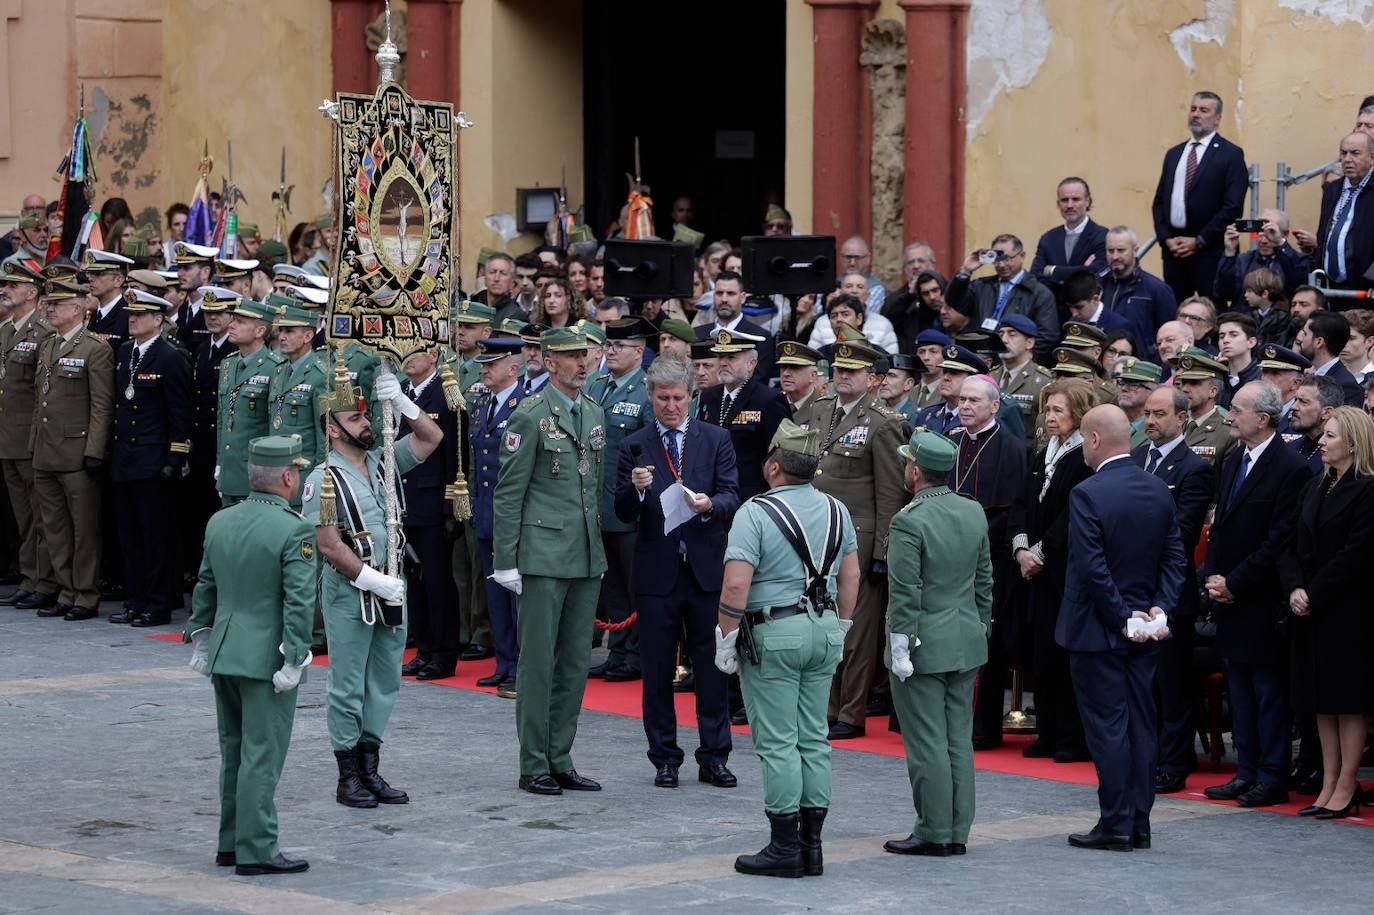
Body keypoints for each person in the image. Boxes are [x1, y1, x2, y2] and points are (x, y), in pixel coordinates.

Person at [715, 420, 858, 878]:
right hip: (824, 626)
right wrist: (842, 626)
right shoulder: (838, 508)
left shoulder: (755, 511)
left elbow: (737, 583)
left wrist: (726, 636)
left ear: (774, 466)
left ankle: (783, 847)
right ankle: (811, 847)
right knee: (813, 738)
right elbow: (850, 577)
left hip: (773, 631)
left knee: (778, 742)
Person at [305, 367, 443, 808]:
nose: (365, 423)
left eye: (366, 415)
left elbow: (430, 439)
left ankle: (370, 768)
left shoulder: (384, 458)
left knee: (384, 681)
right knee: (348, 684)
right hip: (353, 590)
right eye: (354, 418)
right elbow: (327, 543)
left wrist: (405, 405)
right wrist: (369, 578)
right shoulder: (322, 477)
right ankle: (347, 774)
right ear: (331, 428)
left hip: (392, 587)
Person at [183, 435, 316, 876]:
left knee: (234, 750)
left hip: (224, 650)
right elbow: (298, 603)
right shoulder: (294, 528)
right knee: (262, 754)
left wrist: (200, 637)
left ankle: (230, 842)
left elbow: (205, 586)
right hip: (266, 658)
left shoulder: (220, 520)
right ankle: (256, 848)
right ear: (286, 476)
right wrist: (295, 656)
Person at [1058, 404, 1185, 851]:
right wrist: (1159, 611)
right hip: (1148, 631)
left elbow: (1093, 569)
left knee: (1109, 729)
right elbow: (1174, 557)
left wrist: (1121, 618)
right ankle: (1138, 824)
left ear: (1093, 440)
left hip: (1100, 632)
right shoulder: (1157, 488)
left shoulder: (1087, 492)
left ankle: (1115, 823)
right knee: (1141, 726)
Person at [492, 326, 607, 796]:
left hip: (584, 552)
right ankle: (533, 762)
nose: (582, 362)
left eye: (585, 354)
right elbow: (509, 493)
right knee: (538, 662)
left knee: (575, 662)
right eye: (571, 356)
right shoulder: (531, 415)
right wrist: (506, 560)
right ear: (548, 361)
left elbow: (591, 488)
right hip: (541, 555)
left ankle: (561, 756)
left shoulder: (593, 412)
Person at [615, 356, 739, 788]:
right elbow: (621, 510)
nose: (671, 406)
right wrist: (635, 488)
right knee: (656, 671)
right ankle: (665, 757)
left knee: (711, 669)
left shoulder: (715, 438)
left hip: (704, 570)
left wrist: (709, 506)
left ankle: (714, 756)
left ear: (691, 397)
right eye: (663, 398)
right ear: (651, 397)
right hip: (655, 574)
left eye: (678, 398)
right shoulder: (635, 443)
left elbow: (732, 496)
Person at [1201, 381, 1314, 808]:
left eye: (1238, 410)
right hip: (1229, 595)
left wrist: (1235, 582)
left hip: (1261, 599)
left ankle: (1271, 774)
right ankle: (1245, 770)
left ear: (1263, 419)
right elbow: (1222, 526)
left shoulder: (1290, 468)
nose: (1229, 416)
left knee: (1268, 693)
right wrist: (1213, 576)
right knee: (1240, 689)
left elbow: (1278, 540)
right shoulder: (1234, 459)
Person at [792, 343, 911, 740]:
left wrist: (883, 551)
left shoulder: (883, 421)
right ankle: (825, 706)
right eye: (840, 368)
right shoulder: (820, 409)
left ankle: (850, 712)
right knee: (821, 621)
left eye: (853, 371)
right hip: (818, 531)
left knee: (856, 630)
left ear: (874, 379)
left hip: (858, 539)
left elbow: (891, 493)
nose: (843, 375)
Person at [883, 429, 991, 857]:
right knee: (956, 740)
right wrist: (981, 624)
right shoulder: (972, 510)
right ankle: (956, 829)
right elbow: (984, 579)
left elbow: (905, 592)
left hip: (923, 643)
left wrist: (900, 645)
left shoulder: (909, 519)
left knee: (927, 741)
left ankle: (933, 829)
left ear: (915, 470)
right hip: (964, 638)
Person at [1279, 406, 1374, 819]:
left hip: (1347, 608)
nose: (1321, 442)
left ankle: (1347, 782)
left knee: (1346, 700)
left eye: (1331, 436)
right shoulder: (1316, 485)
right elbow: (1289, 543)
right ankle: (1329, 779)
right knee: (1320, 698)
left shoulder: (1368, 489)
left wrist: (1312, 592)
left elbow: (1358, 553)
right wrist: (1295, 587)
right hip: (1311, 607)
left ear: (1352, 443)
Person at [1007, 378, 1096, 762]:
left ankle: (1070, 738)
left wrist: (1040, 553)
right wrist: (1021, 548)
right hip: (1034, 569)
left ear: (1077, 413)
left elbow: (1071, 514)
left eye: (1058, 409)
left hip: (1060, 569)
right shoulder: (1042, 450)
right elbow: (1022, 502)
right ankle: (1046, 730)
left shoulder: (1084, 457)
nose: (1050, 415)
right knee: (1041, 654)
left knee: (1063, 656)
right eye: (1048, 409)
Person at [1132, 387, 1215, 794]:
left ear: (1182, 418)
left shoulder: (1192, 469)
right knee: (1139, 682)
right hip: (1132, 590)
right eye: (1147, 413)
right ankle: (1143, 755)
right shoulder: (1135, 459)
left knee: (1171, 682)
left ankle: (1173, 761)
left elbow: (1180, 536)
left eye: (1159, 414)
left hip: (1167, 593)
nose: (1149, 421)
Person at [948, 375, 1027, 749]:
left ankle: (981, 730)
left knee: (984, 645)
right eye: (962, 400)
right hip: (947, 559)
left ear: (994, 407)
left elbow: (1010, 511)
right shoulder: (950, 442)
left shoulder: (1012, 448)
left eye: (974, 401)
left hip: (990, 561)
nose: (965, 406)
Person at [30, 280, 114, 621]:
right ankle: (65, 590)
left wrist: (95, 450)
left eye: (57, 305)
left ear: (77, 310)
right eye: (49, 304)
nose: (50, 309)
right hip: (45, 450)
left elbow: (102, 405)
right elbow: (41, 398)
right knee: (54, 528)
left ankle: (85, 594)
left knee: (84, 530)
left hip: (77, 452)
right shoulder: (49, 344)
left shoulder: (94, 348)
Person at [107, 289, 192, 627]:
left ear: (158, 319)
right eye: (131, 315)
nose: (133, 320)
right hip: (126, 457)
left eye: (140, 315)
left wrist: (176, 457)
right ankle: (135, 599)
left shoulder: (169, 356)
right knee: (129, 536)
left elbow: (180, 411)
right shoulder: (127, 352)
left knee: (154, 536)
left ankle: (157, 604)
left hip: (154, 459)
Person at [586, 317, 655, 681]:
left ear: (639, 353)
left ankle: (636, 652)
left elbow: (650, 452)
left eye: (620, 347)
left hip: (629, 505)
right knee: (611, 583)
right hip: (599, 504)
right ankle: (617, 650)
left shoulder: (645, 392)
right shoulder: (596, 386)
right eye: (609, 346)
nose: (611, 351)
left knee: (634, 581)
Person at [468, 336, 527, 697]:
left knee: (517, 595)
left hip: (513, 515)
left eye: (492, 365)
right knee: (495, 592)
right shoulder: (482, 404)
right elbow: (478, 463)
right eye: (483, 365)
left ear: (513, 368)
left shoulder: (526, 406)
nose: (485, 370)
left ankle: (522, 664)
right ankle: (504, 661)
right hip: (488, 512)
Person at [396, 348, 460, 680]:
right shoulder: (402, 391)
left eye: (415, 353)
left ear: (433, 355)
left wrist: (452, 505)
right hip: (406, 500)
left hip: (434, 500)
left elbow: (454, 452)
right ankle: (423, 648)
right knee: (416, 582)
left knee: (437, 583)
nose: (407, 359)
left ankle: (444, 652)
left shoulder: (444, 392)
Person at [1150, 91, 1248, 301]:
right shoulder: (1174, 154)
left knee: (1211, 315)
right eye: (1193, 109)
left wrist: (1199, 240)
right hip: (1174, 253)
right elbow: (1159, 203)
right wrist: (1166, 239)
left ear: (1217, 119)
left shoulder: (1230, 154)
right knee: (1177, 315)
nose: (1196, 114)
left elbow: (1232, 207)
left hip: (1210, 253)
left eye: (1204, 110)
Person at [0, 259, 57, 612]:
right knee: (23, 515)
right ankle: (29, 576)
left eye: (12, 285)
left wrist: (38, 436)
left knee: (40, 516)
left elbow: (42, 393)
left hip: (30, 438)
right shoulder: (6, 330)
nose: (4, 289)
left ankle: (45, 581)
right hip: (7, 438)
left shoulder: (42, 331)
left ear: (32, 292)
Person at [696, 329, 791, 501]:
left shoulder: (769, 400)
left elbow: (783, 455)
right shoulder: (709, 396)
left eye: (731, 357)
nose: (723, 363)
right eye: (720, 357)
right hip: (712, 496)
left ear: (751, 363)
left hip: (751, 498)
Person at [216, 297, 288, 506]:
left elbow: (274, 425)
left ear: (259, 331)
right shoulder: (228, 364)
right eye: (233, 319)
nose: (231, 325)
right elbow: (223, 417)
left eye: (240, 321)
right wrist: (220, 462)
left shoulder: (276, 366)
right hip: (229, 471)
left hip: (256, 473)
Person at [947, 235, 1058, 362]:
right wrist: (965, 271)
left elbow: (1048, 336)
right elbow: (955, 302)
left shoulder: (1038, 293)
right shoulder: (981, 286)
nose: (1001, 264)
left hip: (1015, 363)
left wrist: (1021, 359)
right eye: (996, 259)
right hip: (979, 359)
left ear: (1022, 255)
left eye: (1007, 258)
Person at [1098, 227, 1179, 362]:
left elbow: (1170, 334)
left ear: (1135, 250)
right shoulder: (1098, 286)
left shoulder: (1157, 289)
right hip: (1102, 366)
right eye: (1110, 251)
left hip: (1141, 368)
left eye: (1121, 250)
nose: (1115, 256)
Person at [1213, 208, 1311, 308]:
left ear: (1285, 234)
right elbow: (1222, 293)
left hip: (1281, 320)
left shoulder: (1299, 260)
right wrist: (1230, 253)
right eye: (1259, 233)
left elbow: (1297, 285)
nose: (1263, 240)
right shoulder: (1242, 260)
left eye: (1271, 233)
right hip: (1245, 320)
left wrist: (1281, 244)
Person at [1316, 132, 1374, 294]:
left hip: (1366, 291)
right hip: (1330, 288)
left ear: (1372, 157)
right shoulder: (1333, 190)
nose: (1347, 159)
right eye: (1343, 153)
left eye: (1355, 153)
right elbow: (1324, 235)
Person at [1031, 177, 1109, 296]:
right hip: (1054, 310)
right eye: (1064, 200)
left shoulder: (1102, 236)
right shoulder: (1048, 238)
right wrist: (1082, 270)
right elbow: (1035, 277)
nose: (1069, 205)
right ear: (1058, 204)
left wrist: (1053, 271)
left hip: (1087, 311)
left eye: (1076, 199)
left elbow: (1098, 274)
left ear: (1087, 201)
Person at [694, 271, 776, 383]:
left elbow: (758, 380)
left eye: (730, 293)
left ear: (742, 298)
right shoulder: (697, 334)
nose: (724, 299)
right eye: (719, 293)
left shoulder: (760, 337)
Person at [1175, 350, 1235, 469]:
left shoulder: (1228, 432)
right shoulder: (1175, 424)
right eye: (1184, 382)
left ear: (1213, 391)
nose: (1185, 389)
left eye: (1194, 383)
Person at [1296, 310, 1363, 406]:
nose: (1301, 339)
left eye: (1305, 334)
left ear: (1319, 342)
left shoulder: (1346, 386)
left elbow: (1346, 420)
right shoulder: (1308, 376)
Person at [1285, 376, 1342, 474]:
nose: (1294, 407)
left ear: (1327, 413)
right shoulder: (1290, 448)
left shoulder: (1337, 457)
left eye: (1303, 402)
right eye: (1295, 400)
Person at [1217, 313, 1260, 408]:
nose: (1225, 340)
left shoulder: (1262, 379)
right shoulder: (1215, 378)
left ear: (1251, 342)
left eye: (1233, 335)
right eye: (1221, 336)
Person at [838, 236, 887, 315]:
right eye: (848, 257)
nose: (852, 263)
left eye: (857, 258)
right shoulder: (830, 284)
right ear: (841, 257)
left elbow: (866, 315)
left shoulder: (875, 287)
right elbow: (816, 315)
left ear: (868, 258)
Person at [777, 341, 823, 415]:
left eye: (794, 368)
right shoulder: (772, 403)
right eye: (783, 367)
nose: (786, 373)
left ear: (813, 376)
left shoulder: (824, 409)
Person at [879, 353, 923, 425]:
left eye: (892, 376)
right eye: (882, 375)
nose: (883, 382)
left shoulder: (918, 418)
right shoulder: (874, 412)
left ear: (908, 384)